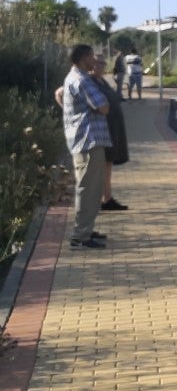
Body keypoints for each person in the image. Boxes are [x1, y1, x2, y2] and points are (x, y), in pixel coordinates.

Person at [61, 44, 111, 250]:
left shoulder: (74, 77)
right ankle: (81, 235)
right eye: (92, 56)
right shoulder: (82, 80)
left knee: (92, 187)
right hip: (87, 141)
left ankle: (86, 229)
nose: (95, 60)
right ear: (83, 58)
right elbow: (103, 107)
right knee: (88, 188)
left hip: (85, 140)